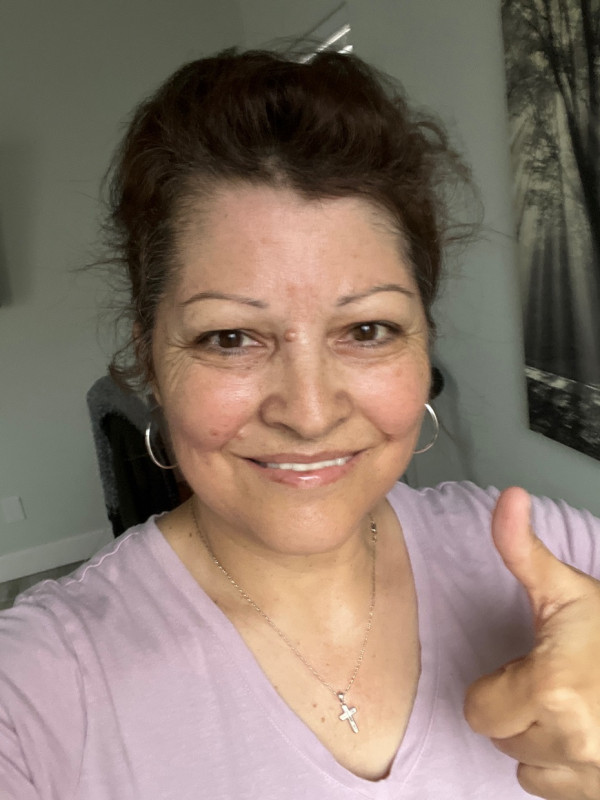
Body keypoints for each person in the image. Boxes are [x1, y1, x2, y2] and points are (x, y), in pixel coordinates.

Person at [1, 48, 599, 800]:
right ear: (149, 357)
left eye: (368, 330)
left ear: (424, 341)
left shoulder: (559, 563)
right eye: (230, 338)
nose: (310, 413)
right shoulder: (36, 695)